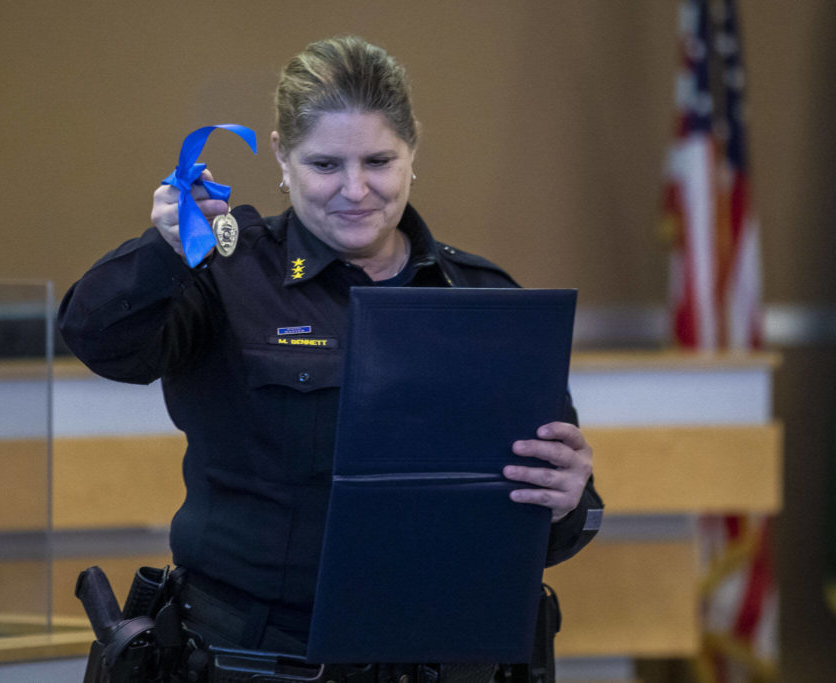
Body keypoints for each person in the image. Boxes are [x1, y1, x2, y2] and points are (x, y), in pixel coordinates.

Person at [59, 35, 602, 665]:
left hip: (445, 650)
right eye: (324, 165)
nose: (355, 190)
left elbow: (551, 522)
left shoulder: (482, 297)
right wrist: (164, 251)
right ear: (282, 158)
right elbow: (99, 342)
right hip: (257, 652)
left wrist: (568, 499)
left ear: (412, 151)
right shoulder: (225, 272)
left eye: (378, 161)